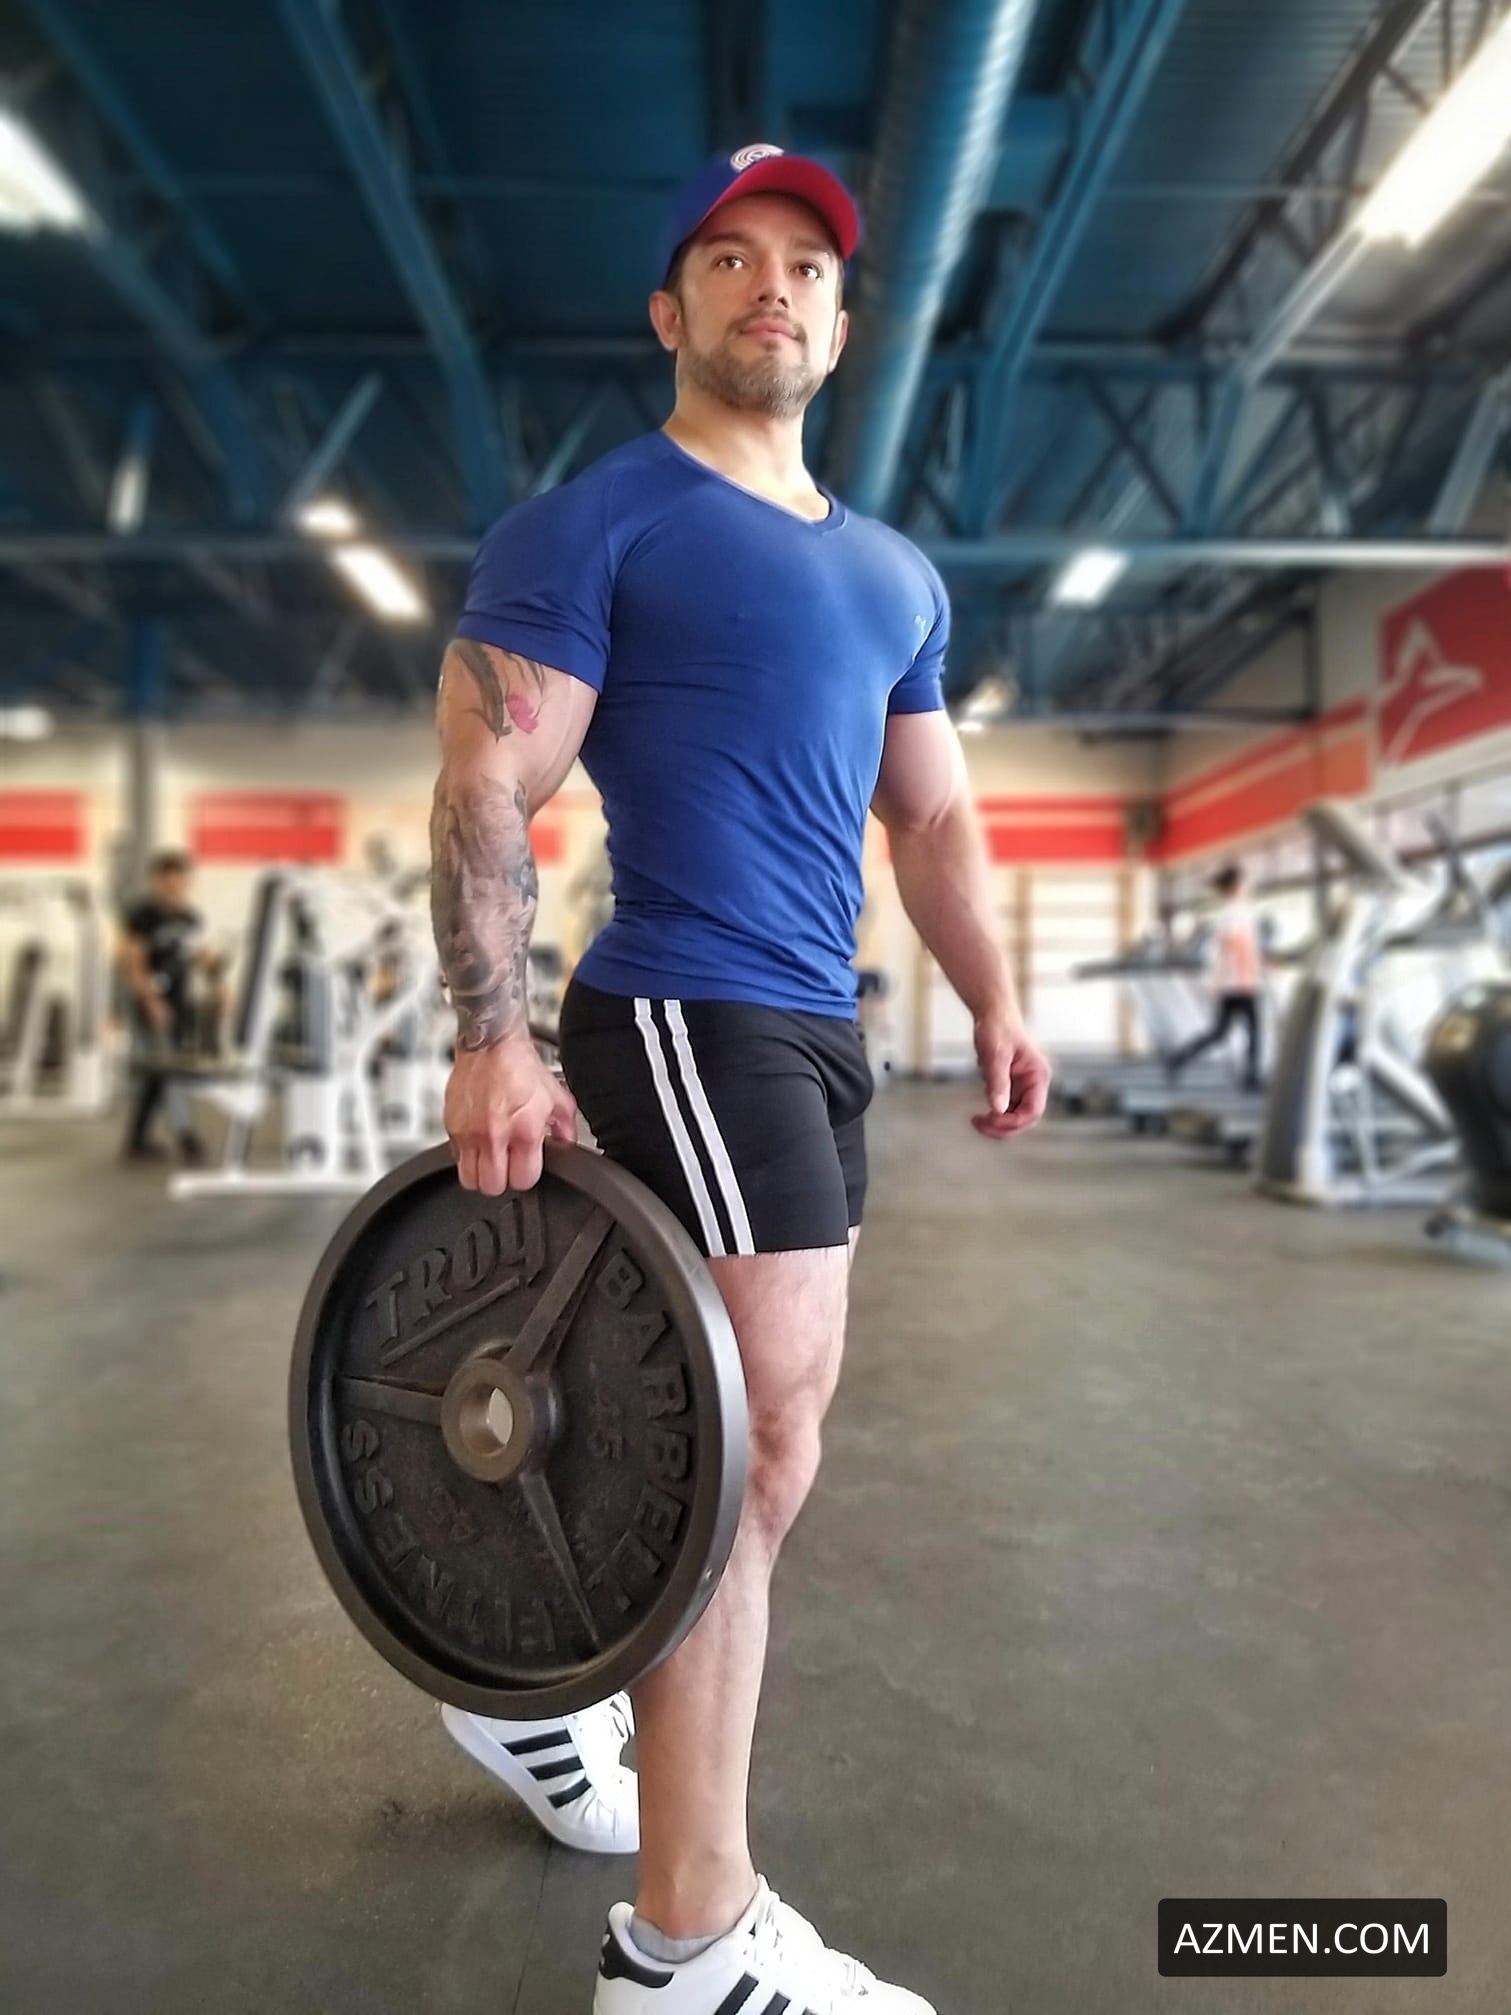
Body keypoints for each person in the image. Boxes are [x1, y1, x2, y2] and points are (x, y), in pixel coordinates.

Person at [427, 142, 1052, 2015]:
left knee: (723, 1432)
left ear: (840, 327)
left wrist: (995, 998)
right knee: (747, 1448)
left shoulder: (894, 575)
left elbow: (928, 818)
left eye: (804, 264)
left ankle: (530, 1703)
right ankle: (686, 1945)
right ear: (669, 312)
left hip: (812, 1025)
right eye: (726, 257)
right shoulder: (595, 524)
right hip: (686, 1005)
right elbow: (489, 775)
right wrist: (490, 1030)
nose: (769, 283)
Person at [118, 849, 210, 1165]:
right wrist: (151, 1001)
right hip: (149, 1000)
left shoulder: (190, 918)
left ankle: (136, 1140)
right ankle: (187, 1137)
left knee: (158, 1071)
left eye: (179, 881)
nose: (174, 887)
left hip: (178, 1001)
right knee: (170, 1066)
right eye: (167, 881)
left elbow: (201, 956)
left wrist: (222, 990)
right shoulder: (143, 915)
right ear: (156, 881)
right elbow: (134, 963)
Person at [1166, 863, 1264, 1093]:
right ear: (1236, 886)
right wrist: (1249, 974)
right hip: (1239, 981)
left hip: (1230, 982)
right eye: (1245, 882)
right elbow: (1236, 945)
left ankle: (1178, 1059)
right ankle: (1251, 1077)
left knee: (1221, 1032)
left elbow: (1240, 946)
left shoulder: (1231, 911)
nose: (1248, 886)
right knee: (1253, 1029)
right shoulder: (1235, 912)